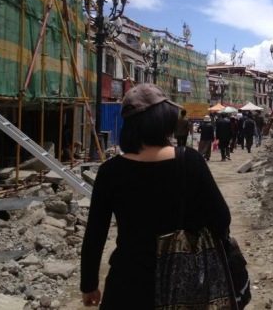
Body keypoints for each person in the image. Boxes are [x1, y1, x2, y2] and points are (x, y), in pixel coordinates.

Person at [80, 83, 231, 308]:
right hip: (183, 285)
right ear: (164, 119)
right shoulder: (190, 161)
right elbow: (221, 219)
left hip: (127, 284)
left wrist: (89, 283)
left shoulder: (110, 171)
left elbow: (95, 233)